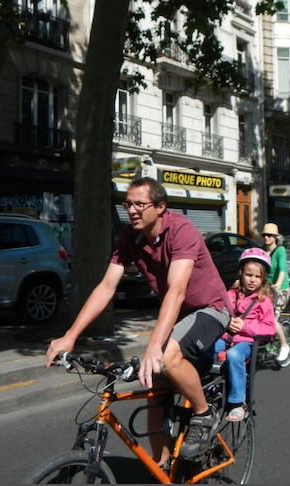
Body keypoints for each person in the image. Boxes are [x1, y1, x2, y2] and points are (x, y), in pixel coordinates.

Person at [45, 177, 231, 463]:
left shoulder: (181, 230)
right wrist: (70, 335)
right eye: (128, 203)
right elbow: (106, 287)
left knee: (165, 357)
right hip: (179, 313)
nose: (131, 210)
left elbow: (177, 291)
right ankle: (163, 468)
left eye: (139, 204)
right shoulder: (129, 237)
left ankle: (204, 414)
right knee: (154, 392)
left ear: (160, 207)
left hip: (210, 308)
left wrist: (154, 346)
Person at [213, 248, 276, 422]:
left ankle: (237, 402)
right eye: (249, 275)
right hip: (226, 338)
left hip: (247, 343)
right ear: (241, 274)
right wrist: (226, 322)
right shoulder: (231, 294)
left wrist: (245, 326)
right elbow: (219, 311)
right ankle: (205, 386)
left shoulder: (264, 300)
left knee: (234, 355)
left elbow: (270, 329)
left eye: (257, 277)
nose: (252, 280)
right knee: (206, 348)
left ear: (263, 279)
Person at [261, 222, 290, 362]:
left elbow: (282, 269)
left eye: (270, 235)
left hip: (281, 289)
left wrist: (278, 284)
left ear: (275, 237)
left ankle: (284, 345)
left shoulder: (280, 250)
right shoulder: (262, 250)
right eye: (264, 235)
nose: (266, 237)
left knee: (272, 317)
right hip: (267, 288)